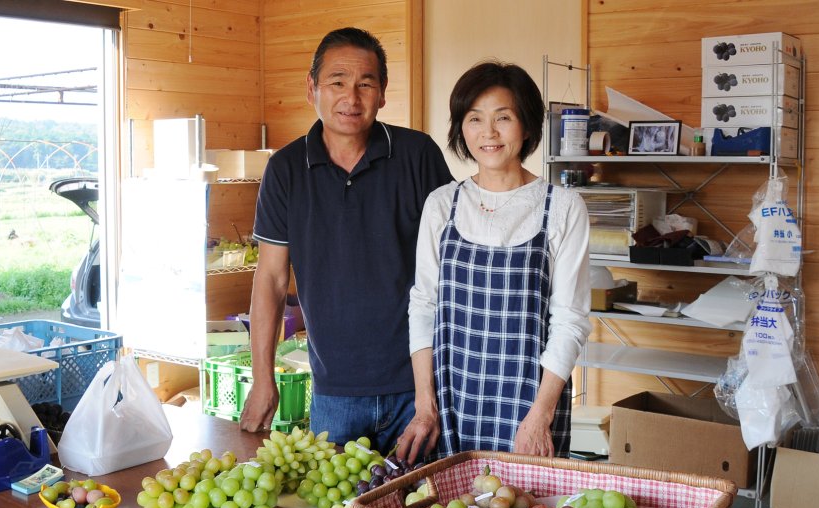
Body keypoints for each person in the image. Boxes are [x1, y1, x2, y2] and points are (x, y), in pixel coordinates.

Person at [240, 27, 453, 455]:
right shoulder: (285, 169)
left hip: (419, 388)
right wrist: (264, 378)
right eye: (337, 82)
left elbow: (455, 264)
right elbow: (271, 281)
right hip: (334, 392)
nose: (351, 98)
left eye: (365, 84)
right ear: (312, 88)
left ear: (383, 93)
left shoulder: (418, 156)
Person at [396, 61, 592, 463]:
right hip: (453, 400)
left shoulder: (562, 207)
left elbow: (570, 320)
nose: (488, 133)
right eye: (475, 119)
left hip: (531, 405)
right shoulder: (442, 204)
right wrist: (424, 404)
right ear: (460, 128)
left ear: (527, 125)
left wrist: (540, 416)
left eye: (503, 117)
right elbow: (424, 306)